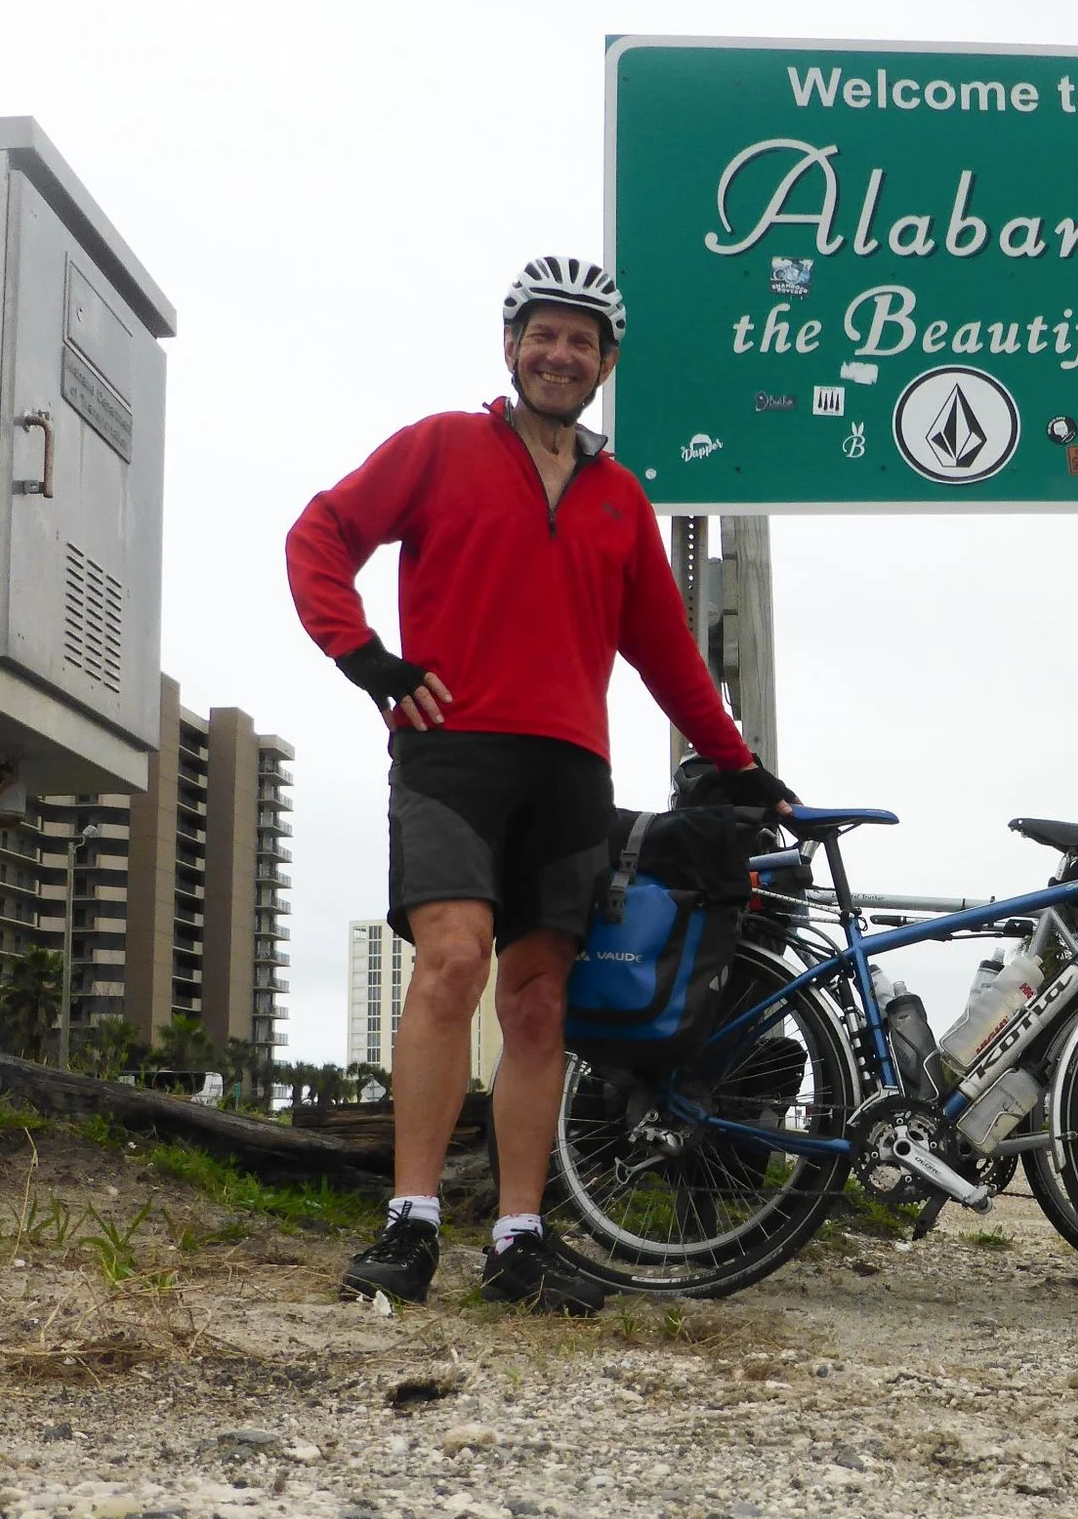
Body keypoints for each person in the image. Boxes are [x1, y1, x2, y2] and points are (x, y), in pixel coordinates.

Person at [286, 255, 792, 1314]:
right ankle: (412, 1221)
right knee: (451, 962)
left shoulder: (618, 499)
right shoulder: (439, 446)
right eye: (542, 335)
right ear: (511, 347)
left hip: (571, 768)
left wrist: (741, 768)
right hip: (454, 751)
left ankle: (519, 1235)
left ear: (607, 362)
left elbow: (667, 655)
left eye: (582, 340)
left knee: (539, 1001)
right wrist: (365, 656)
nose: (559, 354)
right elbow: (320, 535)